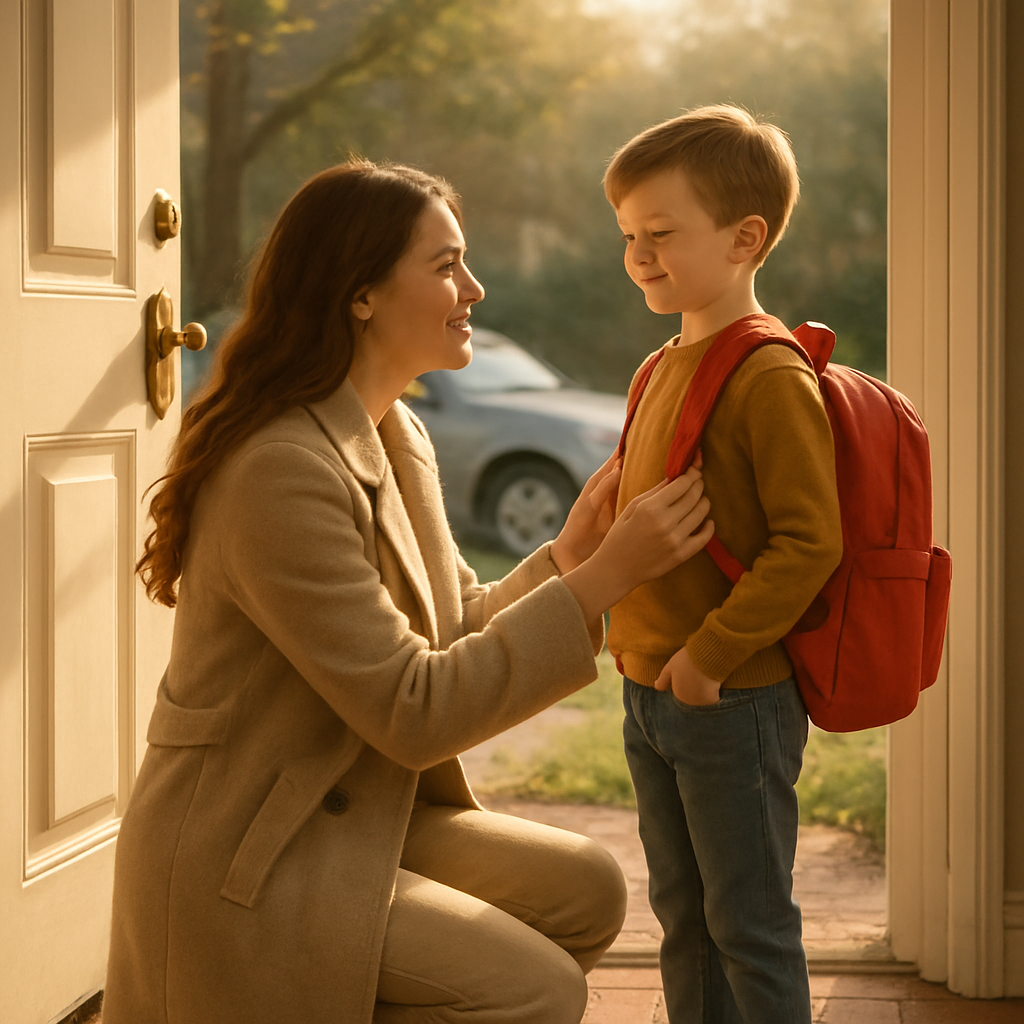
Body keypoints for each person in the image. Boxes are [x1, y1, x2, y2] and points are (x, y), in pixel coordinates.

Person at [102, 159, 715, 1024]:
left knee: (585, 890)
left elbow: (449, 625)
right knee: (537, 990)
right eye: (445, 265)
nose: (474, 286)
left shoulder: (396, 430)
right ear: (361, 294)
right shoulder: (279, 470)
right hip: (251, 853)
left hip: (351, 813)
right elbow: (414, 711)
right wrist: (610, 577)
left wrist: (574, 555)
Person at [604, 105, 844, 1023]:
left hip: (729, 694)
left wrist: (707, 659)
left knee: (748, 923)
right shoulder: (664, 361)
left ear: (746, 239)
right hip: (652, 691)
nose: (639, 255)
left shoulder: (767, 375)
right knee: (684, 919)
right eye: (629, 235)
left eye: (661, 234)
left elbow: (809, 544)